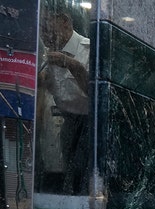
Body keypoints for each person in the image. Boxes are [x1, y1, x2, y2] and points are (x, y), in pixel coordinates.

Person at [39, 8, 90, 195]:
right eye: (41, 29)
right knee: (66, 171)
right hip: (66, 121)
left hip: (89, 124)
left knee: (82, 173)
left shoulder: (89, 49)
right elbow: (44, 84)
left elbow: (95, 93)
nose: (44, 34)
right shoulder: (47, 51)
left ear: (64, 22)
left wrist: (71, 64)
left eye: (47, 28)